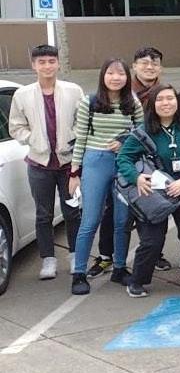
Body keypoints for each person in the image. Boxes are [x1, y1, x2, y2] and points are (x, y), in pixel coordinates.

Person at [117, 84, 180, 298]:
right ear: (152, 104)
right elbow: (123, 158)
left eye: (170, 98)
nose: (165, 103)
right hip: (155, 193)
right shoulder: (143, 130)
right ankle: (138, 280)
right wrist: (136, 177)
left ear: (177, 101)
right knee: (152, 240)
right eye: (160, 99)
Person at [9, 44, 83, 283]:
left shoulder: (73, 91)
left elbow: (83, 121)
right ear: (34, 65)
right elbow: (15, 126)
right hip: (39, 164)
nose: (47, 66)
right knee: (43, 214)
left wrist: (72, 137)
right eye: (42, 62)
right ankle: (48, 259)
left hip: (68, 163)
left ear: (58, 63)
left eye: (51, 61)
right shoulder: (22, 94)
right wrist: (33, 138)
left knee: (72, 211)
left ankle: (76, 255)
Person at [69, 59, 143, 290]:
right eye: (110, 73)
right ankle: (79, 273)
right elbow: (81, 138)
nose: (115, 78)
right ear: (103, 76)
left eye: (120, 74)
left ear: (127, 77)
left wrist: (125, 141)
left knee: (122, 221)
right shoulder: (89, 102)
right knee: (90, 220)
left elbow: (141, 134)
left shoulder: (133, 103)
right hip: (95, 162)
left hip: (124, 164)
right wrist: (74, 172)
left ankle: (120, 268)